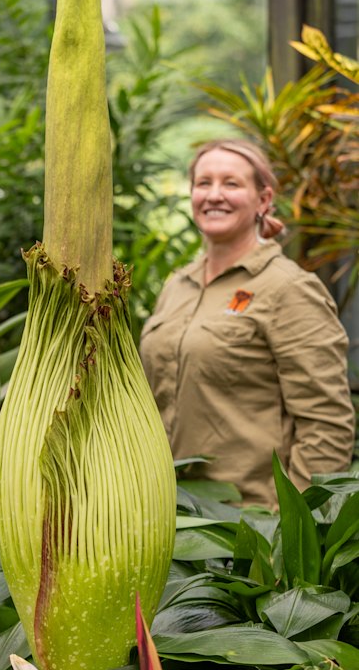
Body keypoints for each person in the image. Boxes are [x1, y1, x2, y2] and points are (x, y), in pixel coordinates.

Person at [140, 138, 355, 508]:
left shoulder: (288, 288)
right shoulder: (178, 285)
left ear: (264, 199)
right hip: (169, 516)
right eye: (203, 183)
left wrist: (294, 528)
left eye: (232, 183)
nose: (214, 195)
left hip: (251, 523)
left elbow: (326, 422)